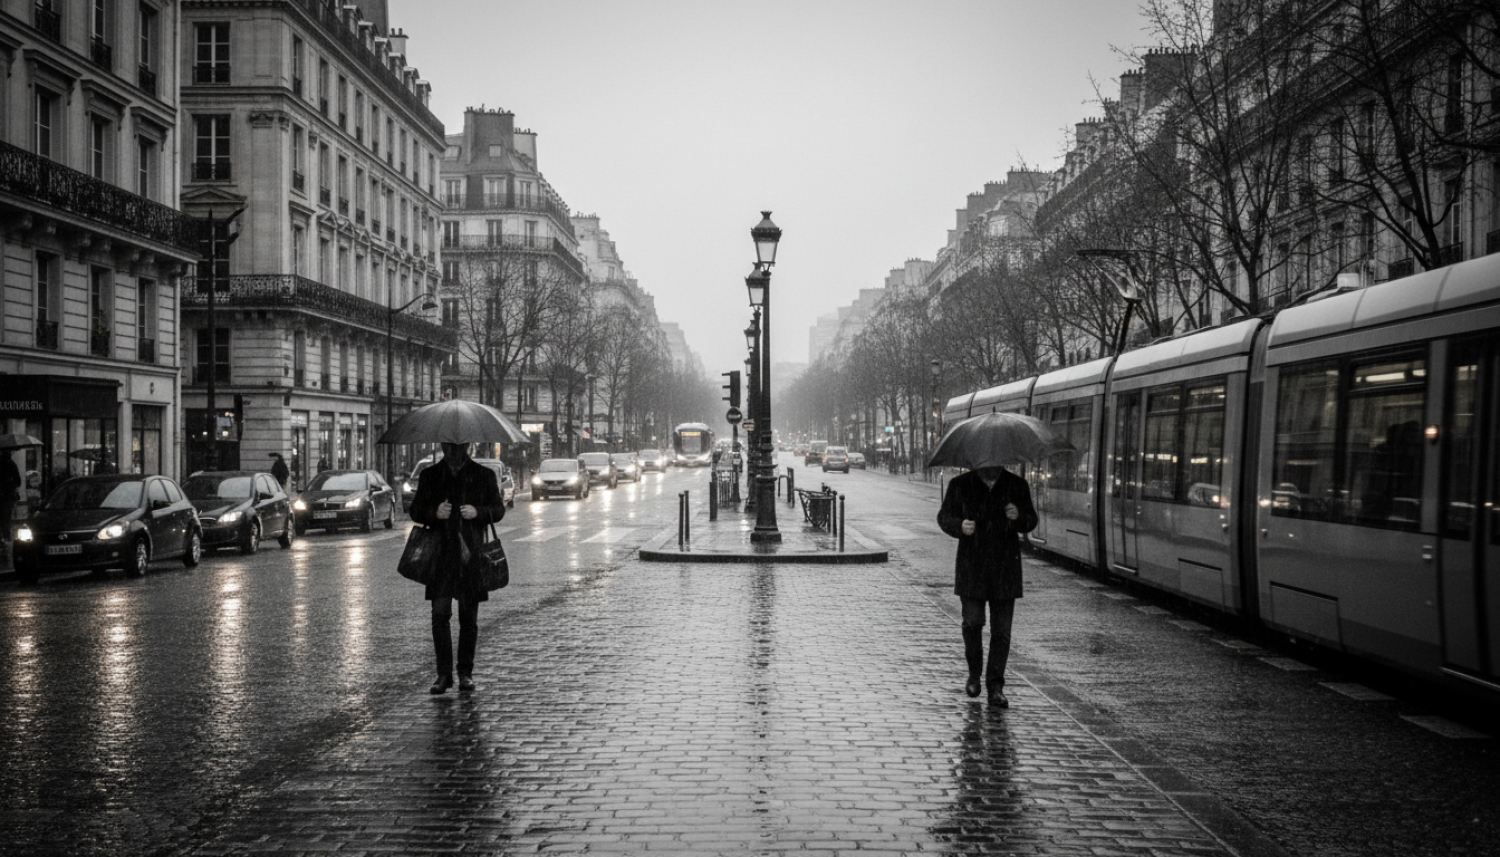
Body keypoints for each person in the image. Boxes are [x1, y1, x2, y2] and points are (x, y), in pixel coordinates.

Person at [408, 441, 505, 695]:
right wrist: (434, 512)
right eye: (449, 447)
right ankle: (443, 674)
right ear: (443, 447)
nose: (453, 452)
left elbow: (498, 509)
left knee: (468, 618)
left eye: (459, 447)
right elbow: (415, 510)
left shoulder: (483, 475)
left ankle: (465, 673)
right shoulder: (430, 475)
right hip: (440, 557)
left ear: (467, 447)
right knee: (439, 615)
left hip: (470, 556)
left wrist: (478, 512)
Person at [937, 464, 1038, 708]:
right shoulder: (961, 485)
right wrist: (959, 526)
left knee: (1001, 631)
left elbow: (1031, 520)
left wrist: (1019, 517)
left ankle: (996, 686)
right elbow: (944, 517)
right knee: (972, 622)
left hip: (1005, 568)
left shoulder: (1016, 485)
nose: (992, 465)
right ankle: (974, 674)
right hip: (972, 567)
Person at [0, 452, 21, 541]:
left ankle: (4, 536)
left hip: (4, 495)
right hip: (9, 495)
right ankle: (6, 536)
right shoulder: (12, 465)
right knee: (7, 517)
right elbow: (18, 482)